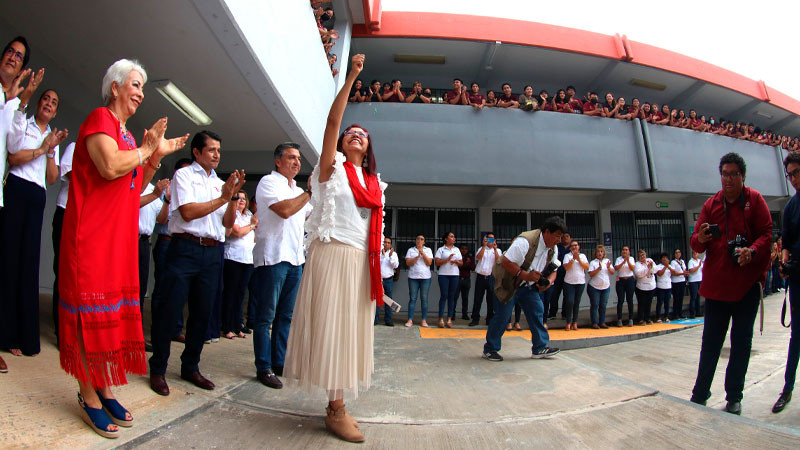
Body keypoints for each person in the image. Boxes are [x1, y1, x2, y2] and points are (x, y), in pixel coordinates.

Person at [59, 59, 188, 438]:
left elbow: (133, 188)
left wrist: (155, 156)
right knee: (88, 314)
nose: (139, 92)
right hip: (90, 236)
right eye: (134, 84)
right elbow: (110, 167)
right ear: (114, 87)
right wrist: (147, 148)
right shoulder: (100, 119)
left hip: (117, 237)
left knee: (108, 315)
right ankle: (87, 393)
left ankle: (104, 386)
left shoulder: (130, 137)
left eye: (143, 88)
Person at [284, 53, 386, 443]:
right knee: (332, 331)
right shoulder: (332, 169)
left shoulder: (377, 185)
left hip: (361, 263)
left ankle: (338, 403)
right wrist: (352, 76)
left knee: (350, 333)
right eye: (350, 132)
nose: (354, 134)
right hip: (332, 255)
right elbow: (331, 122)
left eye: (362, 133)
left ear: (370, 146)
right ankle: (335, 407)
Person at [149, 130, 244, 397]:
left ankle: (190, 366)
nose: (216, 155)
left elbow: (227, 224)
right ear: (197, 152)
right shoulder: (184, 176)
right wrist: (224, 198)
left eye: (219, 151)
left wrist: (233, 197)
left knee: (202, 314)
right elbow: (188, 213)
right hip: (185, 248)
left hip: (213, 253)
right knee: (170, 310)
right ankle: (157, 368)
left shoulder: (221, 184)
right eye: (211, 150)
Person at [689, 152, 772, 416]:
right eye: (724, 174)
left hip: (746, 286)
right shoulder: (711, 204)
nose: (728, 179)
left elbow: (767, 234)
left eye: (733, 174)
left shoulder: (755, 200)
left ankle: (734, 396)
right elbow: (695, 243)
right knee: (710, 343)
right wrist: (700, 238)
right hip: (716, 287)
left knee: (741, 343)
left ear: (743, 175)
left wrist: (753, 251)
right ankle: (700, 394)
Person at [1, 82, 67, 358]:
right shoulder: (23, 124)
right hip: (16, 190)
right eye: (46, 99)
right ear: (38, 103)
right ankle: (4, 334)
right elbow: (14, 157)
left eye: (54, 102)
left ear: (55, 112)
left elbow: (52, 178)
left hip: (37, 197)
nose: (49, 104)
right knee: (8, 260)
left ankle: (23, 336)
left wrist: (51, 150)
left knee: (29, 263)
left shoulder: (52, 138)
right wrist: (41, 149)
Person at [250, 142, 312, 389]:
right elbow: (285, 211)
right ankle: (263, 366)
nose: (297, 163)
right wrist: (309, 194)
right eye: (291, 158)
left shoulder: (296, 189)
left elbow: (309, 216)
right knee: (266, 316)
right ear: (278, 161)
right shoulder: (269, 183)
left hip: (295, 260)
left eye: (298, 159)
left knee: (286, 316)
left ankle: (279, 362)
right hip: (273, 258)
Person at [482, 216, 565, 362]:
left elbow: (554, 269)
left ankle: (540, 347)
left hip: (527, 285)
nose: (559, 240)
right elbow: (506, 262)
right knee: (503, 315)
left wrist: (548, 282)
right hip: (507, 281)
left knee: (537, 310)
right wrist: (525, 275)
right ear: (546, 232)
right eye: (557, 236)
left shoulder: (553, 248)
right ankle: (490, 349)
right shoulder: (525, 241)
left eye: (561, 237)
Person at [150, 158, 193, 344]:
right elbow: (160, 220)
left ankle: (175, 329)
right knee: (162, 289)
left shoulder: (192, 191)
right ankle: (157, 330)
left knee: (180, 290)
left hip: (184, 244)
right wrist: (167, 200)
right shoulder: (165, 189)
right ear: (176, 173)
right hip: (166, 242)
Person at [772, 152, 800, 413]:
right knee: (797, 335)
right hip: (798, 279)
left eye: (796, 173)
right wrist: (783, 263)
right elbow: (787, 243)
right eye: (789, 174)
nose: (792, 179)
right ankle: (788, 387)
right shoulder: (791, 207)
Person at [138, 178, 170, 352]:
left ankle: (136, 337)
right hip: (126, 239)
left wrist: (166, 200)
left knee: (140, 292)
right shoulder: (130, 181)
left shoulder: (152, 187)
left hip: (144, 242)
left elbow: (162, 219)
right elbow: (129, 204)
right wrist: (155, 194)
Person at [221, 191, 257, 339]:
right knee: (230, 293)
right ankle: (226, 327)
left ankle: (237, 325)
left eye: (244, 198)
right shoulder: (232, 214)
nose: (241, 201)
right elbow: (236, 232)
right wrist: (252, 226)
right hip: (233, 258)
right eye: (239, 198)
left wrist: (252, 226)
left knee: (240, 294)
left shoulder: (248, 215)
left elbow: (253, 237)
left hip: (247, 259)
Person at [52, 141, 75, 344]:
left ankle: (73, 329)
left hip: (85, 219)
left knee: (78, 277)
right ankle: (61, 331)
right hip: (66, 212)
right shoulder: (74, 147)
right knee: (62, 272)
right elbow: (69, 175)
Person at [470, 233, 501, 326]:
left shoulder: (498, 250)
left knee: (491, 300)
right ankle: (475, 319)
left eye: (492, 239)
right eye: (488, 238)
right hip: (481, 276)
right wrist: (484, 246)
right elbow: (478, 257)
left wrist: (495, 249)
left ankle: (489, 319)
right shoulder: (481, 248)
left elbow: (498, 261)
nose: (490, 240)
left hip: (491, 277)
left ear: (495, 240)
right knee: (477, 299)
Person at [435, 231, 463, 328]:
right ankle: (441, 318)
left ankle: (449, 318)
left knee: (452, 297)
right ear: (446, 239)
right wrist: (447, 259)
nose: (453, 238)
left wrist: (456, 261)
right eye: (451, 237)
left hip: (454, 275)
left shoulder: (457, 249)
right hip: (443, 275)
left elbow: (461, 263)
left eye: (454, 237)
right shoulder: (441, 249)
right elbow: (437, 262)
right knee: (444, 295)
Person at [405, 234, 433, 328]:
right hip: (413, 277)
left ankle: (424, 320)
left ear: (424, 242)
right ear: (415, 240)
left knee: (424, 298)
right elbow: (408, 263)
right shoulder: (410, 250)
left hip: (425, 278)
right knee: (412, 298)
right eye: (418, 239)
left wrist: (422, 253)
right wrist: (417, 256)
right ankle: (410, 319)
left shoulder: (428, 250)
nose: (419, 240)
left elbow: (429, 263)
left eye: (422, 239)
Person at [562, 240, 589, 330]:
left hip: (580, 282)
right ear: (570, 247)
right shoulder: (567, 256)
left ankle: (575, 322)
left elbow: (586, 267)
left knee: (577, 303)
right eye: (572, 245)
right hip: (569, 283)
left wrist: (578, 259)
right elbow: (566, 267)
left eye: (576, 245)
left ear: (579, 247)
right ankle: (568, 322)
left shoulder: (583, 256)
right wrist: (573, 259)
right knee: (570, 302)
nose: (574, 247)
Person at [587, 245, 614, 329]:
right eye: (598, 252)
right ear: (595, 253)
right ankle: (594, 322)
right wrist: (598, 269)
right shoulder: (593, 262)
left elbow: (612, 272)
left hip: (605, 287)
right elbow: (591, 274)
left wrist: (609, 267)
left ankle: (602, 322)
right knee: (595, 305)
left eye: (601, 251)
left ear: (604, 253)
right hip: (594, 287)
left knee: (603, 305)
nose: (600, 253)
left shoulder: (607, 261)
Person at [547, 232, 571, 321]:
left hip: (568, 275)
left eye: (567, 237)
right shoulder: (557, 247)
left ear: (570, 239)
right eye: (563, 237)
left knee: (567, 296)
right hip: (557, 274)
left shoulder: (571, 249)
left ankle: (565, 314)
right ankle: (552, 313)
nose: (565, 238)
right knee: (554, 295)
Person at [376, 237, 399, 326]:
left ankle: (388, 320)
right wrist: (382, 256)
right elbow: (377, 264)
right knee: (377, 300)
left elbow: (395, 265)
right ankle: (375, 319)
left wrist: (389, 257)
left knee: (389, 300)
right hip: (379, 280)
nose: (386, 244)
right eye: (385, 242)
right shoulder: (378, 253)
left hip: (388, 280)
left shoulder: (394, 254)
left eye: (388, 243)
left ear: (390, 244)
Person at [614, 246, 636, 327]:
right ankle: (619, 319)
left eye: (626, 250)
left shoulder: (631, 259)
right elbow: (616, 268)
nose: (624, 251)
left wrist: (627, 261)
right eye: (623, 250)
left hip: (630, 280)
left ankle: (630, 319)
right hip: (621, 280)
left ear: (629, 252)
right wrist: (623, 262)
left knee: (630, 300)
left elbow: (632, 268)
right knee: (620, 300)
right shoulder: (618, 259)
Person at [634, 249, 656, 325]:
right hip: (641, 287)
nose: (642, 256)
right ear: (638, 257)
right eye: (640, 255)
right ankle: (640, 319)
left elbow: (655, 270)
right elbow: (639, 274)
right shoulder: (637, 264)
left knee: (648, 303)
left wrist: (651, 267)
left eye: (643, 254)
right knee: (641, 303)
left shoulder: (650, 260)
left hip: (651, 286)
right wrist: (647, 268)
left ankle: (647, 318)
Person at [654, 253, 674, 323]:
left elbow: (674, 273)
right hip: (660, 287)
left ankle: (666, 316)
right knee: (660, 302)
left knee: (667, 303)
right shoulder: (658, 266)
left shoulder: (670, 266)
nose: (665, 259)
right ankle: (658, 316)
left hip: (668, 286)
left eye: (666, 258)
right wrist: (665, 267)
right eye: (663, 258)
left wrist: (668, 266)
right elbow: (659, 273)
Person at [458, 244, 475, 320]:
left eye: (465, 249)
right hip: (458, 278)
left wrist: (468, 263)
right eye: (462, 248)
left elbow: (473, 268)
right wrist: (464, 264)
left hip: (466, 279)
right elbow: (458, 266)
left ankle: (465, 314)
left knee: (465, 298)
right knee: (454, 297)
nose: (464, 250)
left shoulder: (470, 258)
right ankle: (452, 314)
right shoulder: (457, 257)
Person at [670, 249, 688, 319]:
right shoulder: (673, 262)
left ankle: (680, 313)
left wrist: (685, 273)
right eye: (676, 253)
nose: (678, 254)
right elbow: (673, 272)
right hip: (676, 282)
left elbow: (685, 269)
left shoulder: (682, 261)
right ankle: (675, 314)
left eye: (679, 252)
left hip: (682, 281)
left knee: (681, 298)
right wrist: (682, 273)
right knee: (676, 298)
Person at [686, 251, 704, 318]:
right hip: (693, 281)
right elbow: (691, 270)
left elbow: (702, 269)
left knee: (698, 297)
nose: (695, 254)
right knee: (693, 297)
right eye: (694, 253)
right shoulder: (691, 261)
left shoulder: (699, 260)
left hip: (699, 280)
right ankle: (692, 313)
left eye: (696, 253)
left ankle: (698, 312)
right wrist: (698, 266)